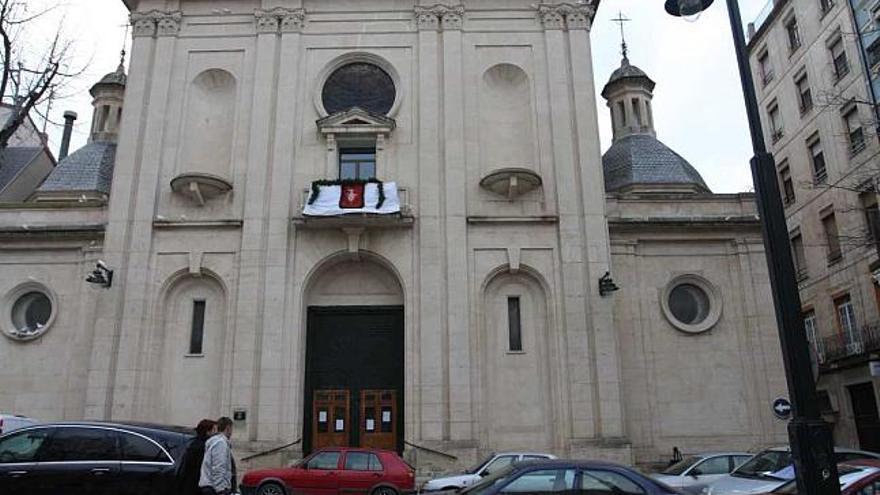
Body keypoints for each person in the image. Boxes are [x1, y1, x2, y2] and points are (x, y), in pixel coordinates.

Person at [199, 416, 235, 495]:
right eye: (231, 429)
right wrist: (220, 489)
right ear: (228, 428)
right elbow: (219, 467)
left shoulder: (214, 442)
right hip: (214, 488)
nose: (231, 432)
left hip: (209, 486)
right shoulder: (221, 443)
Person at [182, 419, 217, 494]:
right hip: (196, 485)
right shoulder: (203, 447)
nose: (216, 433)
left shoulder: (194, 443)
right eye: (214, 430)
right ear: (207, 432)